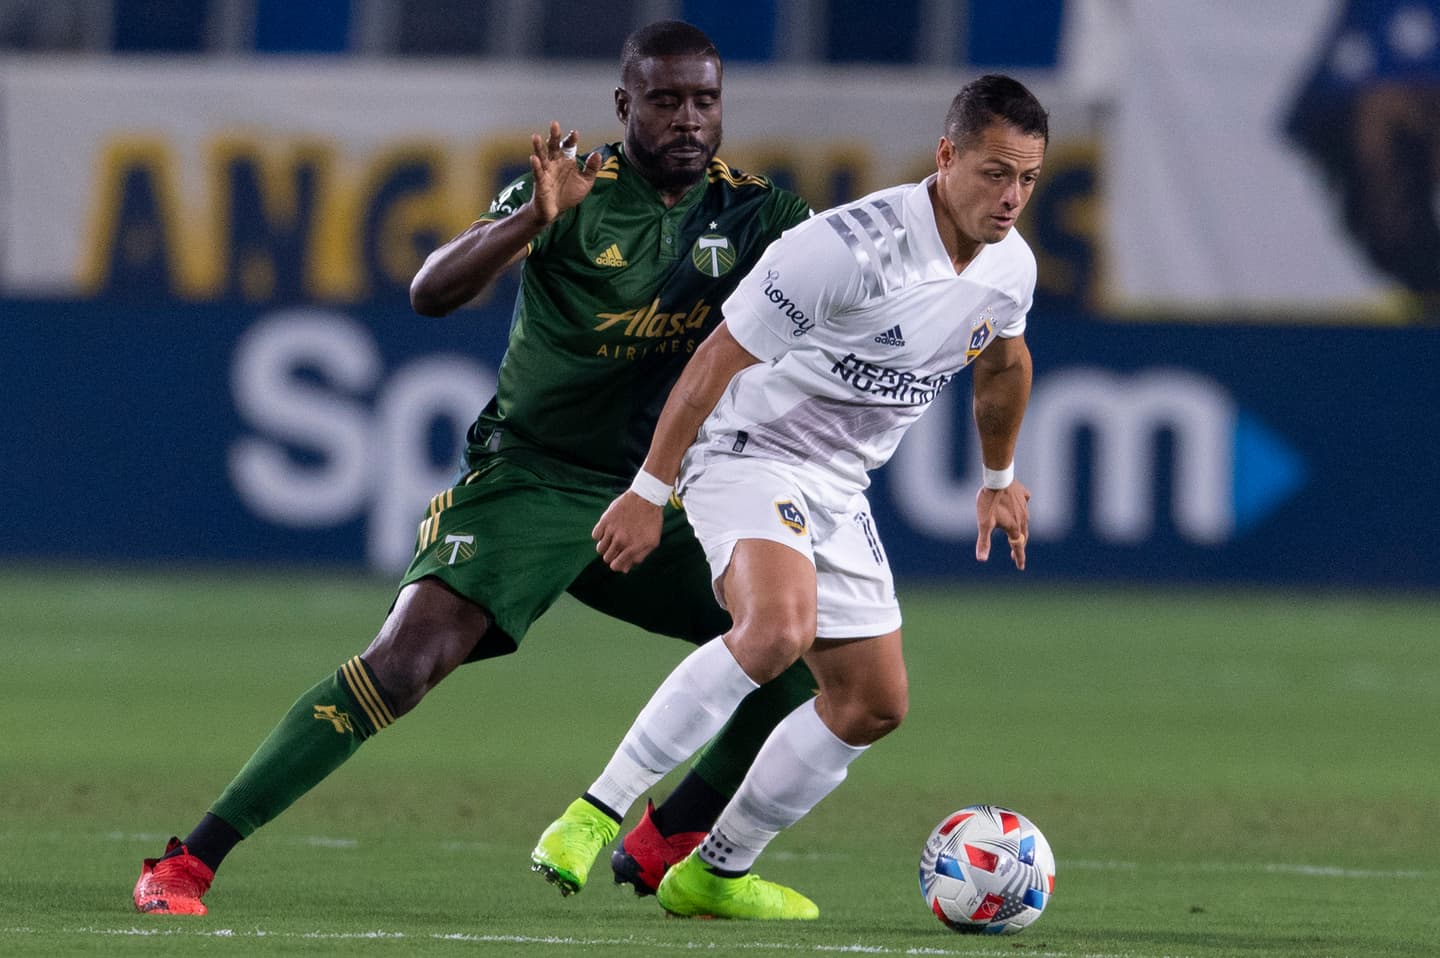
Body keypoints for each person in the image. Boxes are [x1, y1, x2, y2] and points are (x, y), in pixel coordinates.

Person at [132, 20, 817, 915]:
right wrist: (534, 218)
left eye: (705, 100)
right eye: (665, 100)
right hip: (535, 479)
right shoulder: (576, 189)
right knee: (405, 664)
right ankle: (189, 862)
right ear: (625, 105)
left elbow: (845, 284)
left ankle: (669, 842)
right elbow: (430, 292)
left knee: (804, 669)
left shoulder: (759, 212)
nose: (689, 119)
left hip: (667, 491)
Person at [531, 74, 1047, 920]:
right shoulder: (847, 247)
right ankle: (591, 815)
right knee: (775, 631)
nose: (1012, 197)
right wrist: (647, 491)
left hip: (840, 486)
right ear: (947, 155)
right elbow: (713, 364)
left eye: (1028, 178)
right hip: (746, 452)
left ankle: (716, 872)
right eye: (995, 173)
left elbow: (1003, 363)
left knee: (873, 701)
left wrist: (998, 478)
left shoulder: (1010, 265)